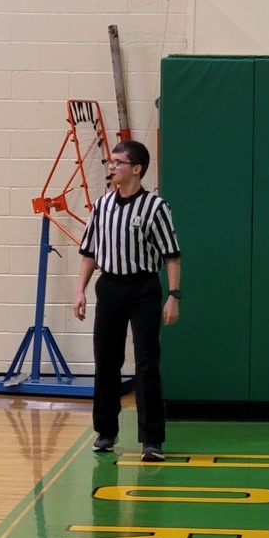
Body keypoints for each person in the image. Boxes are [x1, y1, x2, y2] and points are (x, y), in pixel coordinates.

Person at [72, 140, 181, 462]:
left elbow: (172, 256)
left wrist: (173, 296)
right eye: (111, 161)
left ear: (136, 169)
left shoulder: (155, 207)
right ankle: (106, 431)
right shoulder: (101, 206)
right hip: (109, 287)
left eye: (118, 162)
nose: (112, 167)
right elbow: (89, 253)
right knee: (106, 361)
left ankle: (152, 440)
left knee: (147, 363)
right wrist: (80, 291)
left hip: (143, 288)